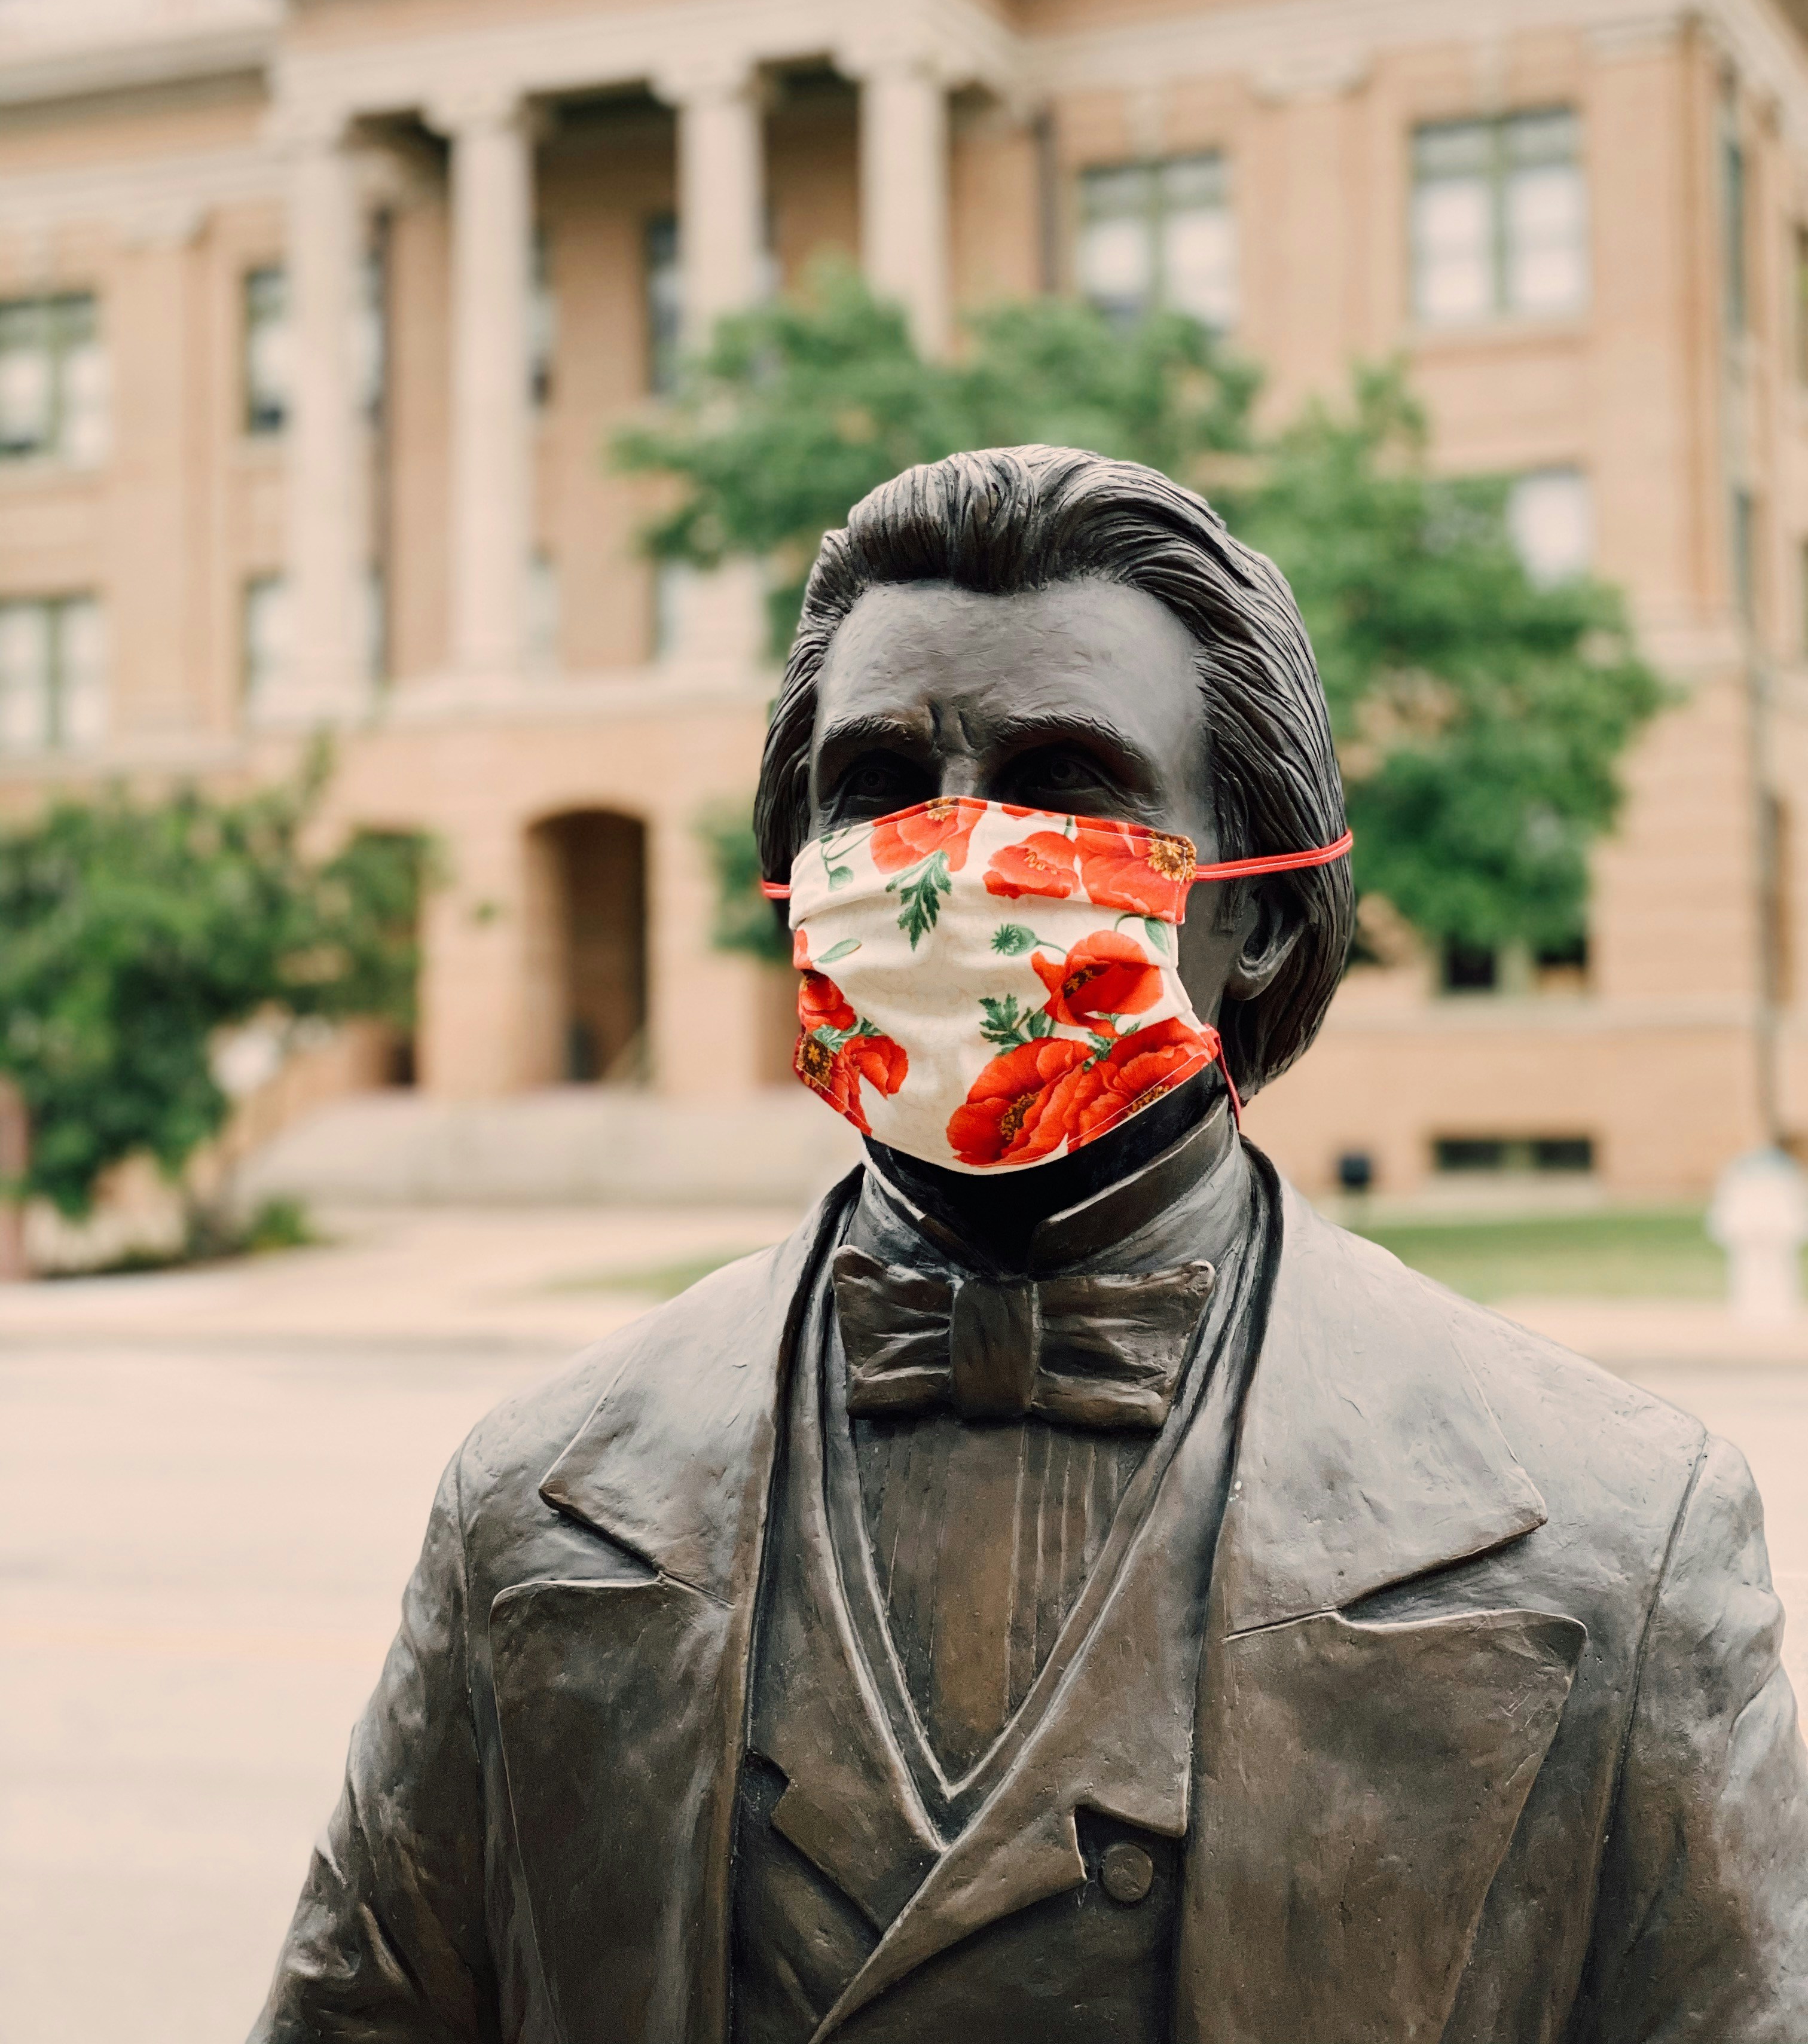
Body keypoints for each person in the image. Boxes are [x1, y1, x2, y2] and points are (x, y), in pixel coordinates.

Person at [252, 448, 1807, 2043]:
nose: (949, 862)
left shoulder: (1619, 1538)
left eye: (1063, 787)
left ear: (1257, 906)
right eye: (874, 786)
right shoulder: (531, 1505)